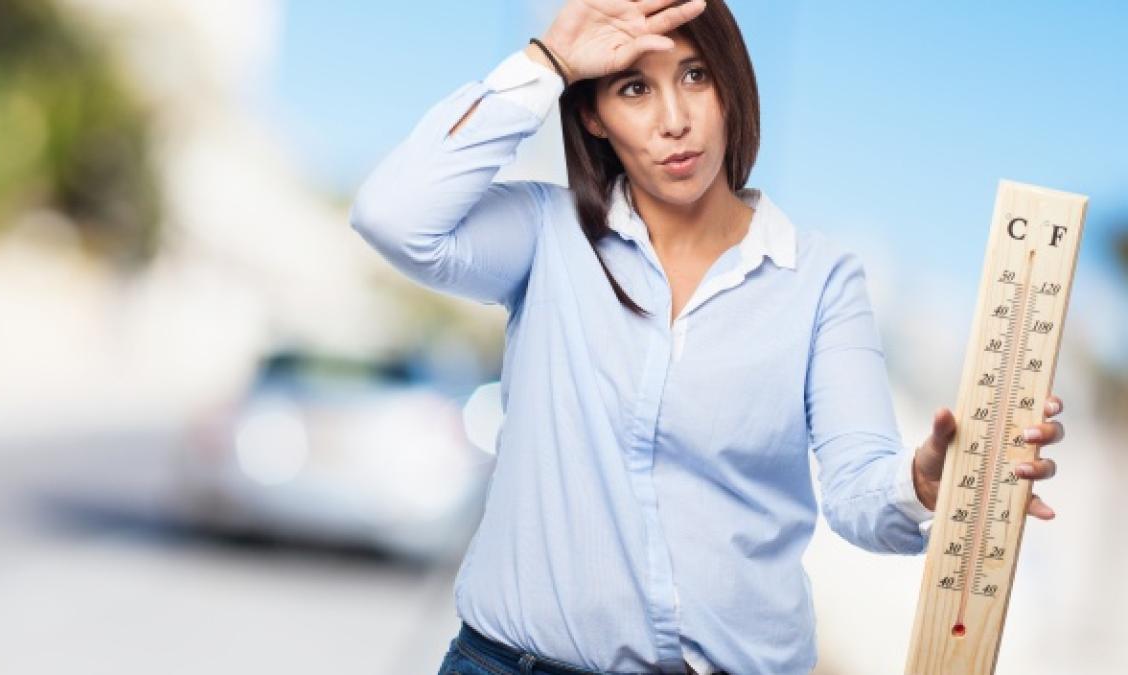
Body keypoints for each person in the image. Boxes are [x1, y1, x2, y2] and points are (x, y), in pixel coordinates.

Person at [348, 1, 1066, 673]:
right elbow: (393, 215)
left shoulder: (819, 279)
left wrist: (919, 481)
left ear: (729, 86)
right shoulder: (546, 233)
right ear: (594, 117)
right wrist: (548, 61)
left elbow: (858, 494)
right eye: (633, 88)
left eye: (694, 76)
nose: (674, 120)